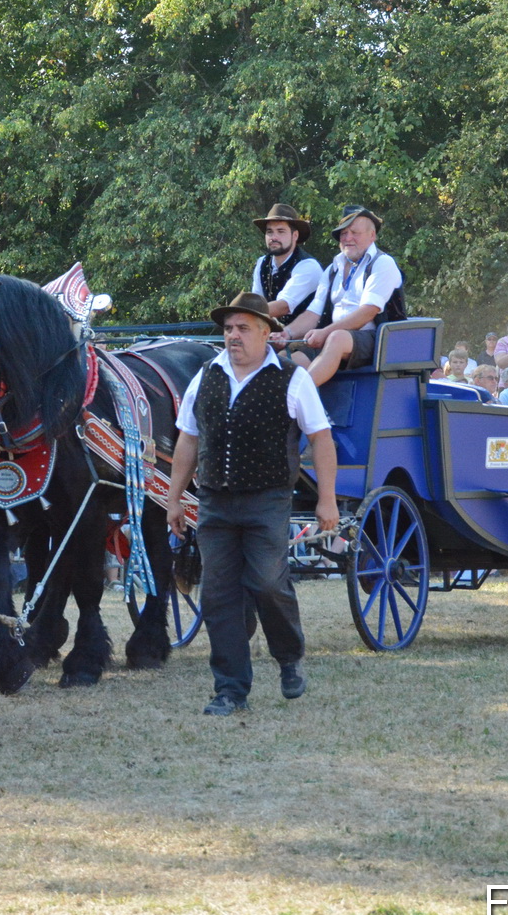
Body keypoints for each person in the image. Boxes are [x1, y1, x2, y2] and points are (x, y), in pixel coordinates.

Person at [168, 293, 336, 715]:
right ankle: (230, 690)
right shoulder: (205, 376)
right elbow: (188, 439)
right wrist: (174, 498)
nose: (233, 336)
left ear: (267, 333)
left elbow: (321, 438)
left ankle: (289, 655)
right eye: (228, 329)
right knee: (218, 596)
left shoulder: (291, 379)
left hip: (267, 499)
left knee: (266, 583)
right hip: (215, 501)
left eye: (243, 328)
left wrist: (328, 499)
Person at [278, 205, 403, 388]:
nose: (347, 238)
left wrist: (326, 332)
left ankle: (298, 398)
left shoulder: (383, 263)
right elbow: (313, 314)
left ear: (372, 236)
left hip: (379, 341)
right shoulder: (332, 269)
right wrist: (286, 333)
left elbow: (367, 313)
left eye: (354, 233)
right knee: (284, 360)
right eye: (343, 233)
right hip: (335, 341)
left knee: (337, 338)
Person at [247, 204, 323, 322]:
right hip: (274, 336)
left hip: (307, 337)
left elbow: (284, 306)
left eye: (281, 231)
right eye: (270, 232)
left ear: (295, 235)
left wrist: (241, 313)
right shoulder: (262, 263)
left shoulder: (308, 266)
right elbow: (258, 300)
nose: (274, 237)